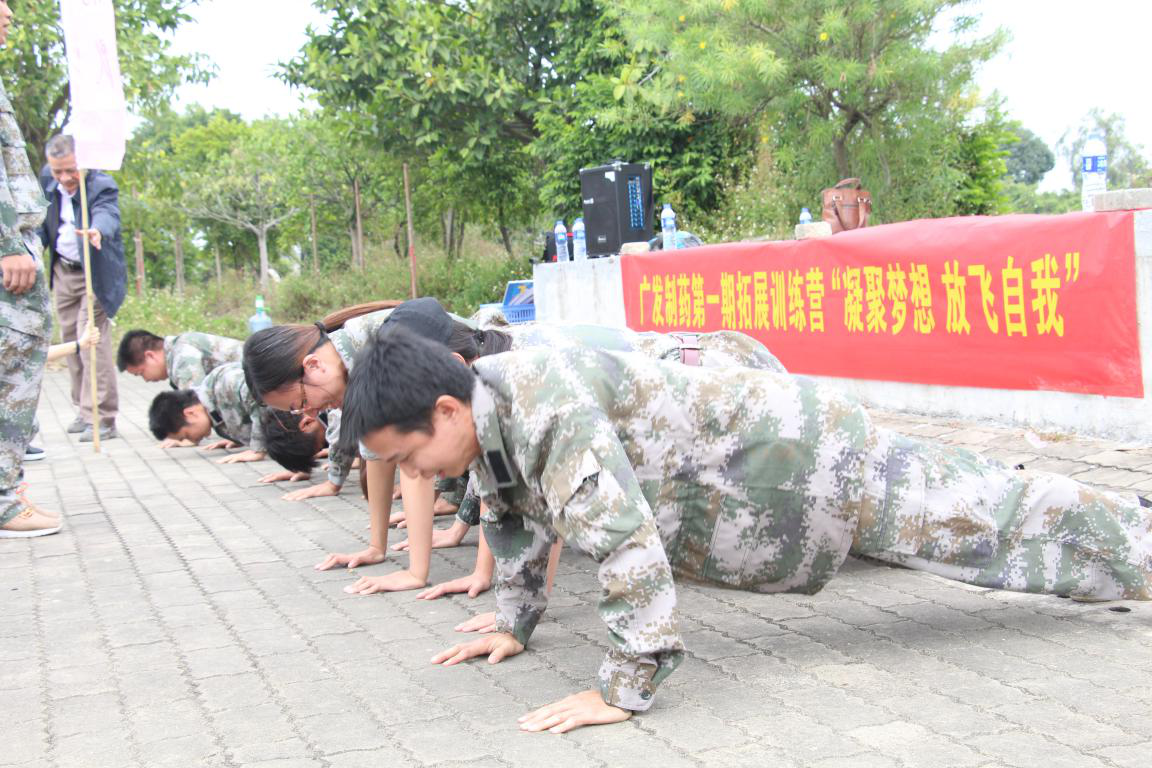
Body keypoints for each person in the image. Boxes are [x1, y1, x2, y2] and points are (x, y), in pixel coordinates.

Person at [339, 329, 1152, 734]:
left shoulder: (542, 405)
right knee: (992, 515)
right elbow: (511, 516)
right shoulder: (486, 417)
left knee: (999, 522)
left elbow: (623, 543)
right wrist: (513, 624)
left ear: (444, 409)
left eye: (408, 457)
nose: (416, 476)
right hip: (776, 486)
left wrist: (622, 686)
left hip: (810, 463)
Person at [243, 299, 438, 593]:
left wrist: (416, 573)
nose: (310, 415)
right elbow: (378, 458)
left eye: (302, 403)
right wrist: (376, 547)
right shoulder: (352, 366)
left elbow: (414, 462)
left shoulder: (375, 358)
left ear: (313, 365)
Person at [0, 0, 59, 538]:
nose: (9, 14)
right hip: (9, 248)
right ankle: (2, 498)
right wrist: (7, 242)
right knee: (12, 368)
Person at [38, 134, 126, 443]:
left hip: (95, 274)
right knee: (71, 343)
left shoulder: (100, 184)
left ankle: (102, 417)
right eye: (58, 171)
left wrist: (97, 229)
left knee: (91, 343)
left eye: (70, 170)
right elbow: (41, 224)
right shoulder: (46, 180)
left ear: (83, 163)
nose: (64, 178)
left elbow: (108, 214)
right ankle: (83, 409)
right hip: (63, 272)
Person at [147, 361, 267, 463]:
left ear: (190, 413)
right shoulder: (212, 412)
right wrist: (239, 437)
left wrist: (257, 449)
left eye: (186, 435)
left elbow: (260, 397)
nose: (191, 441)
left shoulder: (225, 382)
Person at [117, 329, 242, 390]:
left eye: (141, 373)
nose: (145, 380)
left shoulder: (182, 357)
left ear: (150, 356)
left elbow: (195, 405)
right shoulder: (177, 350)